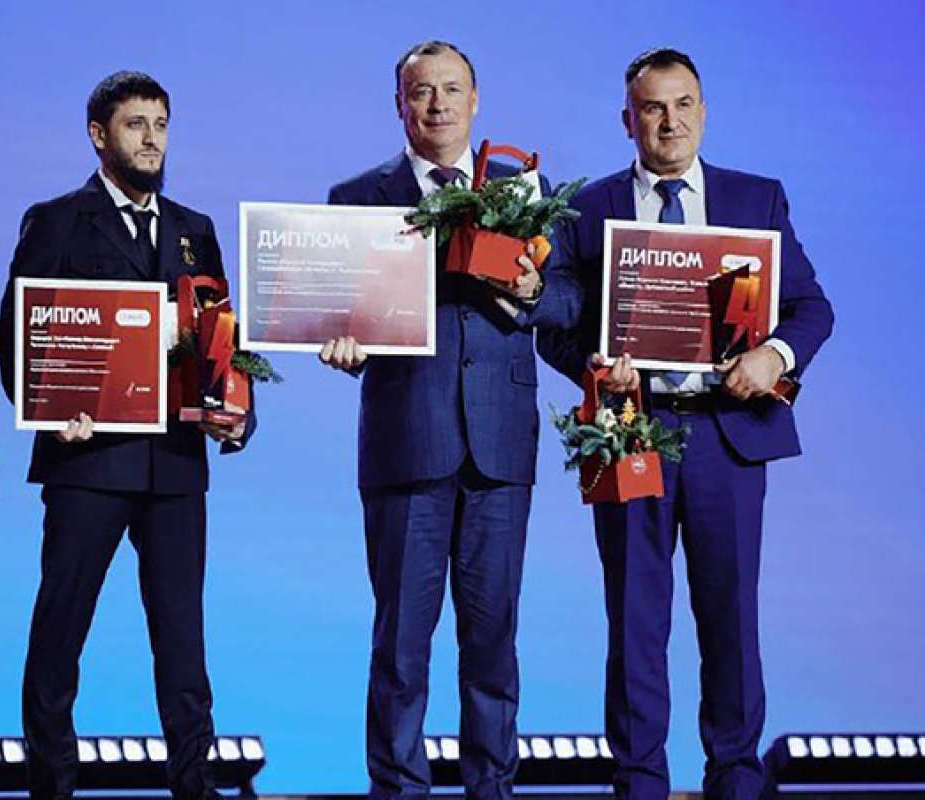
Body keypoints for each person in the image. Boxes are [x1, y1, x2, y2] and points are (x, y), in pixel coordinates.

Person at [536, 48, 834, 800]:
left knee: (731, 616)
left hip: (727, 436)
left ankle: (735, 777)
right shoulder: (591, 209)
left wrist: (773, 355)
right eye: (653, 108)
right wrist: (593, 368)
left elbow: (811, 308)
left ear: (703, 111)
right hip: (630, 433)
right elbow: (553, 330)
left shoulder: (756, 199)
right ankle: (639, 780)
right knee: (635, 618)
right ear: (627, 120)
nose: (670, 122)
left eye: (683, 104)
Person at [320, 41, 581, 800]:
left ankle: (491, 789)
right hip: (408, 443)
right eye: (420, 91)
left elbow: (569, 300)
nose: (437, 104)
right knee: (401, 649)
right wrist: (340, 343)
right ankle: (398, 791)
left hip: (500, 448)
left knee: (493, 646)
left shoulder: (525, 188)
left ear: (476, 100)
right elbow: (337, 314)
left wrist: (532, 290)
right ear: (399, 104)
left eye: (451, 89)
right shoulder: (357, 197)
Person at [0, 71, 252, 800]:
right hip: (87, 460)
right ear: (98, 135)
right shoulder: (56, 221)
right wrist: (48, 409)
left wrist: (236, 414)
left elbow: (222, 342)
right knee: (61, 630)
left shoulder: (195, 229)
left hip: (175, 463)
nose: (151, 139)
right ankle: (51, 785)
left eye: (161, 125)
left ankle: (194, 783)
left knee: (183, 638)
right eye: (136, 124)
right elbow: (16, 337)